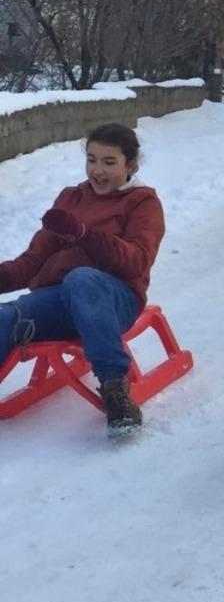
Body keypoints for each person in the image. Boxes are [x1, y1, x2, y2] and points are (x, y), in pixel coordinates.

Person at [0, 123, 165, 437]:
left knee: (82, 279)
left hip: (114, 300)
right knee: (7, 317)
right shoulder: (71, 198)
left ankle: (116, 391)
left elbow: (137, 261)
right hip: (60, 300)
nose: (97, 171)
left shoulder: (143, 203)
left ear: (130, 164)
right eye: (91, 160)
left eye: (109, 162)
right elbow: (31, 262)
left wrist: (85, 235)